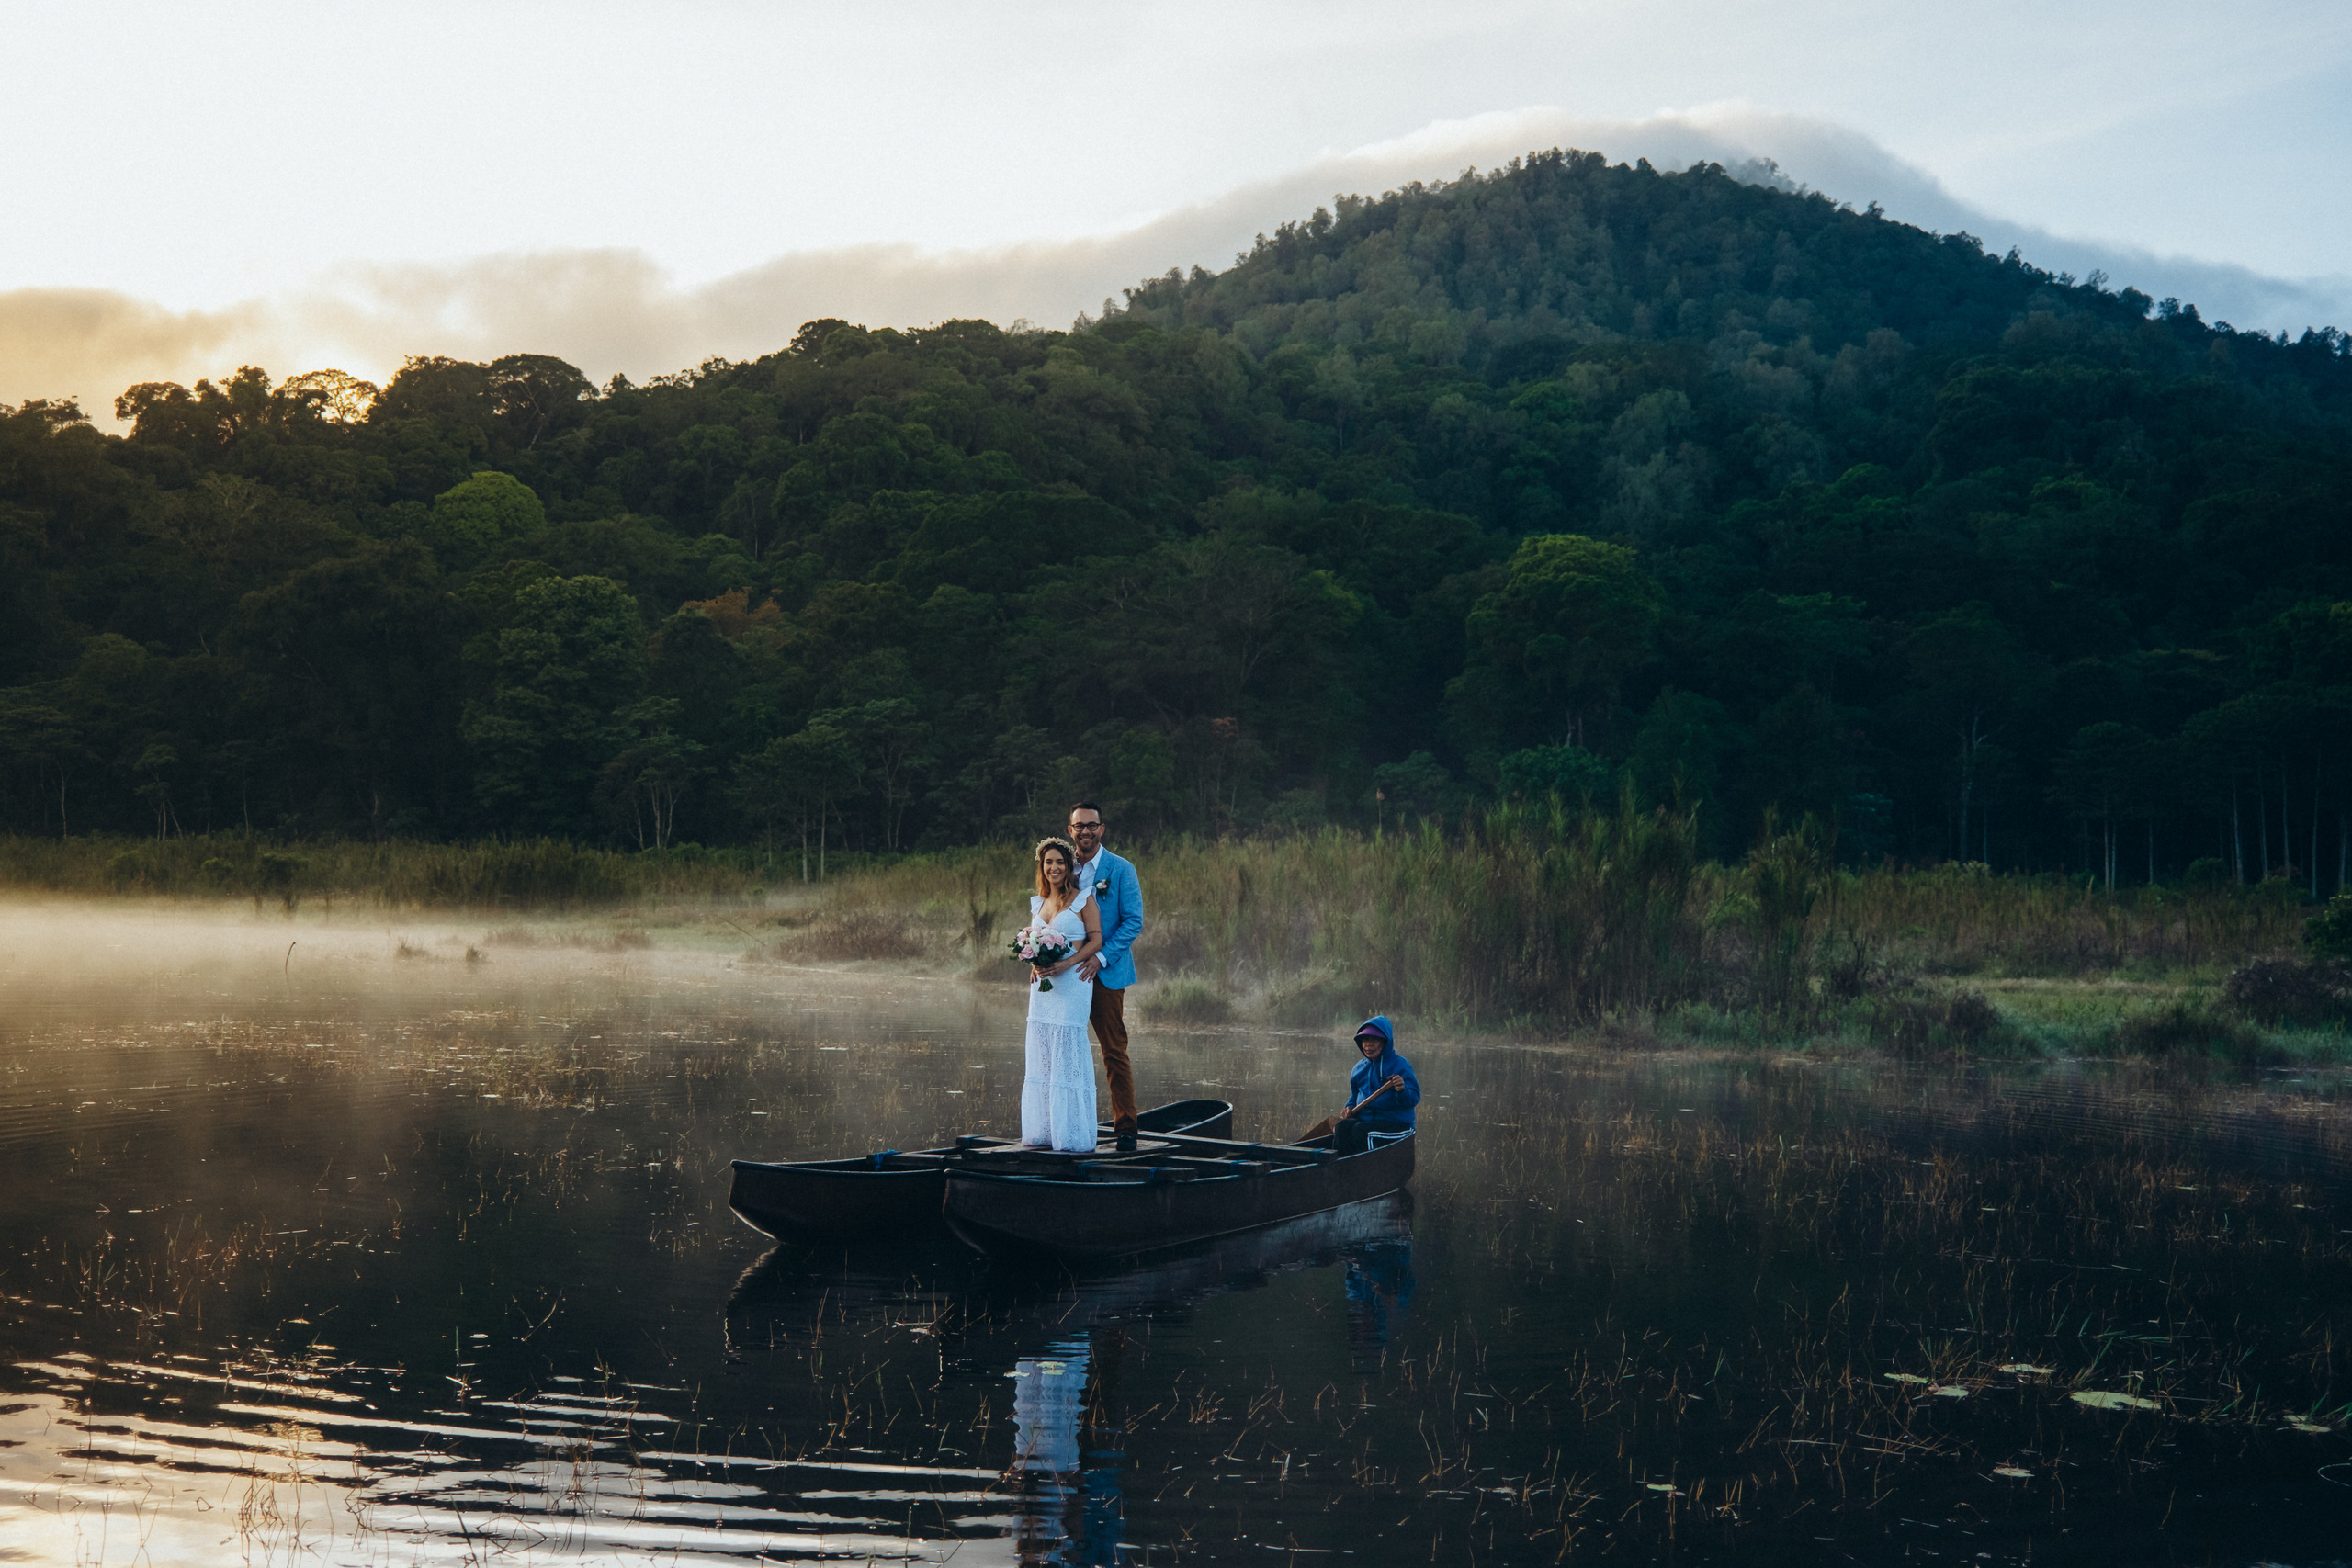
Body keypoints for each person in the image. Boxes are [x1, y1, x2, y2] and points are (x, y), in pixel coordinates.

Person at [1068, 803, 1146, 1151]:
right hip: (1066, 975)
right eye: (1079, 826)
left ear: (1102, 829)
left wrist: (1100, 957)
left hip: (1106, 972)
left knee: (1113, 1050)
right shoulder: (1060, 865)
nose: (1085, 831)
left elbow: (1133, 921)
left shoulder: (1121, 869)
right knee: (1065, 1048)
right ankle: (1068, 1122)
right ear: (1070, 830)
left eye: (1091, 826)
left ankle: (1126, 1129)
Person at [1022, 837, 1102, 1152]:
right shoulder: (1038, 902)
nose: (1054, 867)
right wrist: (1033, 961)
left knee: (1067, 1048)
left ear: (1069, 867)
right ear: (1042, 868)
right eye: (1048, 862)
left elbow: (1095, 940)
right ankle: (1044, 1132)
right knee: (1042, 1050)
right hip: (1043, 989)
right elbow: (1033, 939)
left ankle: (1071, 1137)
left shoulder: (1084, 899)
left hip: (1073, 984)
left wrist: (1067, 963)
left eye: (1059, 862)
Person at [1335, 1015, 1420, 1155]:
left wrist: (1402, 1090)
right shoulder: (1359, 1068)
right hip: (1367, 1122)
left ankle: (1367, 1171)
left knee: (1362, 1131)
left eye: (1374, 1039)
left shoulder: (1400, 1065)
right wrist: (1349, 1107)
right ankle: (1342, 1170)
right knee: (1342, 1127)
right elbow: (1355, 1095)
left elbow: (1414, 1098)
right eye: (1365, 1040)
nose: (1369, 1044)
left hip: (1397, 1124)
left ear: (1385, 1042)